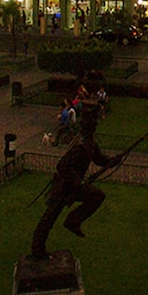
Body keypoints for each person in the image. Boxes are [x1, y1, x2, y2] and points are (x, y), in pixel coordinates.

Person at [30, 104, 120, 260]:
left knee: (97, 196)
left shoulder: (90, 143)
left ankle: (73, 220)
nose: (95, 126)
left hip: (74, 185)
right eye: (93, 124)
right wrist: (78, 183)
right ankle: (38, 250)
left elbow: (99, 159)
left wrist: (113, 160)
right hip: (63, 186)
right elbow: (62, 166)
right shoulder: (80, 145)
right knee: (48, 218)